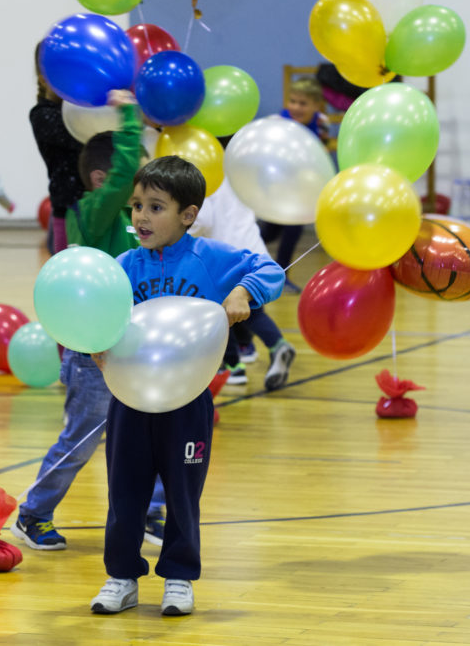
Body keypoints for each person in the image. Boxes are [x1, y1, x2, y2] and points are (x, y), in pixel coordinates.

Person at [89, 155, 283, 616]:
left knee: (182, 492)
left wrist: (243, 292)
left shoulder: (211, 258)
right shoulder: (123, 265)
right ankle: (121, 575)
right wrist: (94, 344)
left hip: (189, 402)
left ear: (188, 215)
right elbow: (96, 316)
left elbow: (271, 271)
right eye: (136, 206)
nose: (141, 216)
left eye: (155, 207)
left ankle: (178, 576)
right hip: (129, 401)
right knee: (125, 492)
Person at [13, 90, 167, 551]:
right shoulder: (93, 213)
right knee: (82, 440)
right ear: (105, 178)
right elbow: (125, 170)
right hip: (93, 354)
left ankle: (152, 511)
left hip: (136, 348)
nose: (142, 191)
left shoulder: (133, 220)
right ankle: (33, 512)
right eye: (136, 177)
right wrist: (129, 115)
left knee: (154, 430)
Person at [190, 153, 296, 391]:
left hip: (225, 256)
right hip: (253, 248)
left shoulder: (202, 175)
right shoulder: (235, 172)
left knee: (218, 312)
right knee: (252, 309)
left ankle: (231, 368)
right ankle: (277, 344)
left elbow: (202, 221)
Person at [261, 76, 333, 294]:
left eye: (303, 103)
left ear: (315, 105)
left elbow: (321, 148)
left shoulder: (321, 122)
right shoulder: (277, 122)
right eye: (292, 101)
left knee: (292, 229)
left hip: (302, 189)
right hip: (278, 186)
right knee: (270, 232)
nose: (296, 107)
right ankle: (242, 258)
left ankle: (281, 276)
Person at [30, 42, 85, 254]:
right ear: (44, 79)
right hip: (67, 211)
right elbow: (79, 138)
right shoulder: (42, 114)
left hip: (96, 208)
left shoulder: (82, 110)